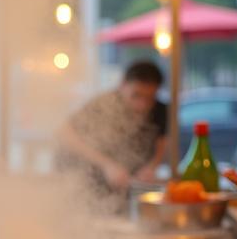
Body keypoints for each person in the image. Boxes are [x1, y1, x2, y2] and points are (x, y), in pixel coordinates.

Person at [54, 59, 168, 198]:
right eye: (136, 95)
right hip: (88, 181)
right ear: (123, 85)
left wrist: (152, 166)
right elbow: (65, 133)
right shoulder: (104, 105)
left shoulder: (160, 110)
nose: (142, 105)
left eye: (149, 98)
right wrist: (106, 165)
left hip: (128, 187)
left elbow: (162, 141)